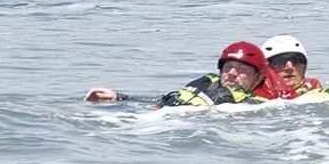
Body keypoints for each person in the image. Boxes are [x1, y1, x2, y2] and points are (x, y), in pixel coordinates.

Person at [83, 41, 268, 106]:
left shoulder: (253, 104)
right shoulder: (207, 82)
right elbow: (165, 100)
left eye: (242, 70)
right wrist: (120, 97)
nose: (233, 73)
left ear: (258, 77)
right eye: (228, 68)